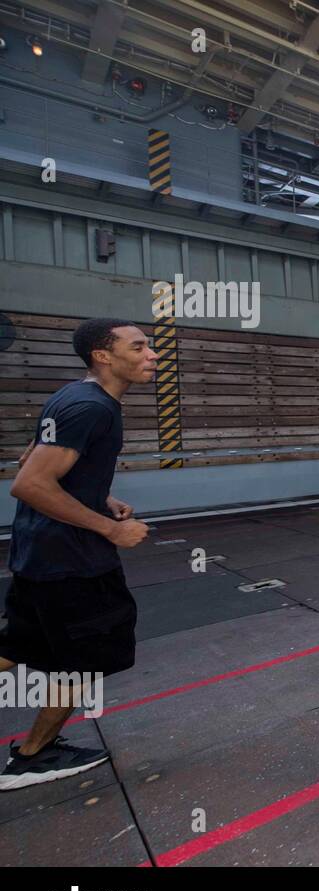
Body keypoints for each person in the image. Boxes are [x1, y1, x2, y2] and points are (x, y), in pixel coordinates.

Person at [0, 318, 155, 790]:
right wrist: (111, 527)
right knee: (83, 657)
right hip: (72, 561)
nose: (152, 355)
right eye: (139, 347)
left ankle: (36, 750)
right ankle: (32, 755)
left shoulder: (74, 396)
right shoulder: (94, 409)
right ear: (103, 356)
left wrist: (98, 496)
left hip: (38, 555)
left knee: (18, 644)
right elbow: (28, 484)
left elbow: (33, 459)